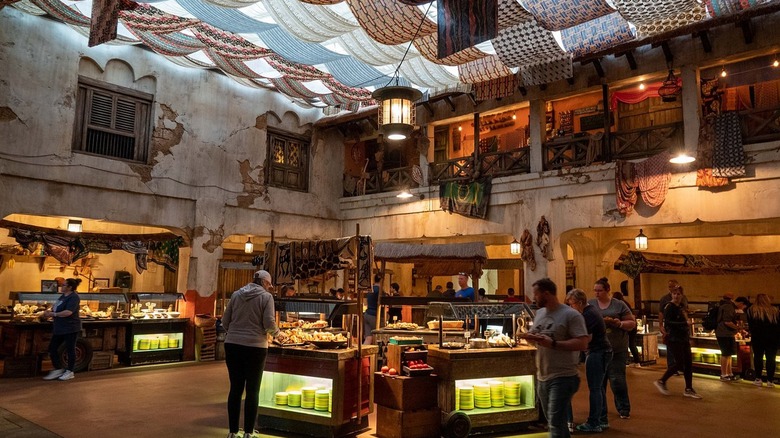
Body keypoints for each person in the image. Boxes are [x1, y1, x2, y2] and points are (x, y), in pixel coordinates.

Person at [520, 278, 588, 438]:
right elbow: (539, 336)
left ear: (547, 293)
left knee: (555, 422)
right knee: (555, 421)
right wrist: (530, 337)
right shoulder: (540, 313)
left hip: (563, 376)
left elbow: (583, 342)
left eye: (536, 294)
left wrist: (554, 343)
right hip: (542, 376)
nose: (534, 298)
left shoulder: (570, 315)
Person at [222, 270, 281, 438]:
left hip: (232, 345)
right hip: (256, 347)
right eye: (269, 285)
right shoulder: (266, 297)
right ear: (264, 282)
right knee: (253, 390)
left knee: (235, 389)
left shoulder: (236, 294)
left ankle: (232, 432)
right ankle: (248, 432)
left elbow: (225, 321)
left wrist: (236, 333)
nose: (269, 288)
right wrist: (279, 335)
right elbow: (269, 323)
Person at [588, 277, 635, 421]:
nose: (597, 293)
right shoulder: (591, 304)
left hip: (617, 349)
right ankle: (601, 411)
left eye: (600, 291)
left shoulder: (619, 305)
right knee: (599, 382)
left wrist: (618, 323)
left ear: (608, 290)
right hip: (597, 349)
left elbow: (631, 323)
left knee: (617, 380)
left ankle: (623, 408)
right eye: (595, 291)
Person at [566, 288, 612, 433]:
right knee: (598, 388)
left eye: (572, 304)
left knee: (595, 389)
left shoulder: (588, 315)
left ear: (579, 303)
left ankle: (594, 423)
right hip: (601, 352)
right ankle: (601, 419)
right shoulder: (590, 310)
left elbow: (587, 339)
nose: (571, 308)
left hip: (598, 352)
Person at [653, 285, 702, 399]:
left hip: (683, 338)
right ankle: (662, 381)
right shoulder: (669, 307)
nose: (676, 296)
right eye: (674, 294)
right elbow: (669, 323)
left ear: (682, 295)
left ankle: (688, 388)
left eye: (678, 294)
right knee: (680, 363)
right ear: (671, 295)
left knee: (688, 363)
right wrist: (685, 324)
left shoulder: (681, 307)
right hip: (674, 339)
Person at [42, 278, 82, 381]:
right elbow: (56, 307)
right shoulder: (62, 296)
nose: (61, 287)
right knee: (52, 348)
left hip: (70, 327)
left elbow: (68, 312)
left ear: (70, 287)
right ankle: (58, 368)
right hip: (59, 327)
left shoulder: (74, 297)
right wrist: (49, 311)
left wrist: (53, 314)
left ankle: (70, 371)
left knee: (70, 349)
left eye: (64, 285)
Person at [747, 294, 779, 387]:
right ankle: (770, 380)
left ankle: (758, 379)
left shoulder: (751, 310)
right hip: (772, 338)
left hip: (758, 337)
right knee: (771, 358)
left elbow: (750, 325)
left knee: (758, 357)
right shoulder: (775, 310)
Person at [658, 279, 688, 371]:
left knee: (682, 351)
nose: (671, 289)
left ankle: (681, 368)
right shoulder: (665, 301)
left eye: (673, 286)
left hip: (682, 330)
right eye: (669, 287)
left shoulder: (684, 298)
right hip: (672, 331)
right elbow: (661, 313)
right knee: (671, 349)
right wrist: (661, 325)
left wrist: (686, 321)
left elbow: (685, 310)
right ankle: (671, 367)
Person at [613, 289, 641, 368]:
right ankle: (636, 361)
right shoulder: (626, 303)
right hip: (631, 327)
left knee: (630, 344)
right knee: (631, 344)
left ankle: (635, 361)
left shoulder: (620, 305)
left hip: (628, 327)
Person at [716, 293, 741, 381]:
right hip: (724, 333)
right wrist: (738, 327)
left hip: (725, 333)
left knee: (728, 354)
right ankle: (724, 375)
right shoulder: (728, 306)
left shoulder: (723, 305)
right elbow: (727, 321)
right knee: (725, 354)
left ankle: (729, 373)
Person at [363, 274, 381, 344]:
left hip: (367, 314)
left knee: (368, 338)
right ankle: (378, 353)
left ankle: (362, 353)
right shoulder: (379, 290)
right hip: (374, 315)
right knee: (378, 337)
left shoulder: (371, 289)